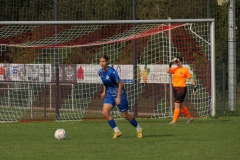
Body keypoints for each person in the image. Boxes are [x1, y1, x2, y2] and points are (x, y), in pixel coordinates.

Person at [98, 55, 143, 138]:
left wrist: (118, 97)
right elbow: (105, 82)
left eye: (103, 61)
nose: (102, 63)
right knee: (105, 112)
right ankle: (117, 131)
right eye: (100, 61)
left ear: (107, 62)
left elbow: (120, 84)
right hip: (110, 95)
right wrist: (104, 91)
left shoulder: (112, 72)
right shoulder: (100, 72)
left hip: (120, 95)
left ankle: (138, 128)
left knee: (125, 115)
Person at [167, 56, 197, 124]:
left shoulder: (185, 70)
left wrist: (194, 86)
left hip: (182, 89)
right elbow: (168, 71)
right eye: (177, 62)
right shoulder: (175, 69)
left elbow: (191, 78)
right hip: (175, 88)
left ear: (181, 62)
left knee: (177, 104)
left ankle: (174, 120)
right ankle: (189, 118)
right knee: (181, 105)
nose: (178, 63)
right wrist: (170, 63)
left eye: (179, 61)